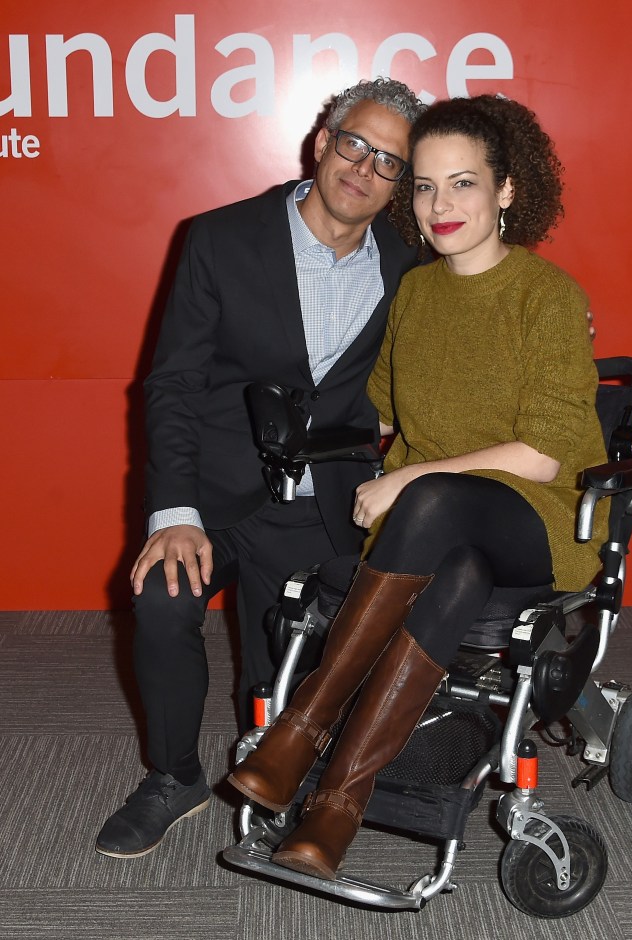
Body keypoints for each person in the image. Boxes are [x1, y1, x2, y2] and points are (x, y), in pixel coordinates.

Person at [228, 94, 609, 880]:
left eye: (464, 184)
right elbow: (376, 411)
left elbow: (542, 456)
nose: (442, 206)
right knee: (457, 570)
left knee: (434, 502)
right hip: (445, 539)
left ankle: (301, 730)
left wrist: (409, 478)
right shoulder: (416, 294)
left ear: (507, 191)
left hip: (538, 522)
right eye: (427, 187)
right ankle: (337, 805)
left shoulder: (548, 296)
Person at [95, 78, 428, 859]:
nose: (364, 169)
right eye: (355, 144)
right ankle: (173, 778)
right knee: (163, 601)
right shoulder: (219, 237)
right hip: (214, 488)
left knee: (297, 672)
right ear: (323, 141)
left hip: (324, 504)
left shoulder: (411, 267)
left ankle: (282, 759)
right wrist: (172, 512)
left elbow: (472, 316)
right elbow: (173, 382)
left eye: (389, 163)